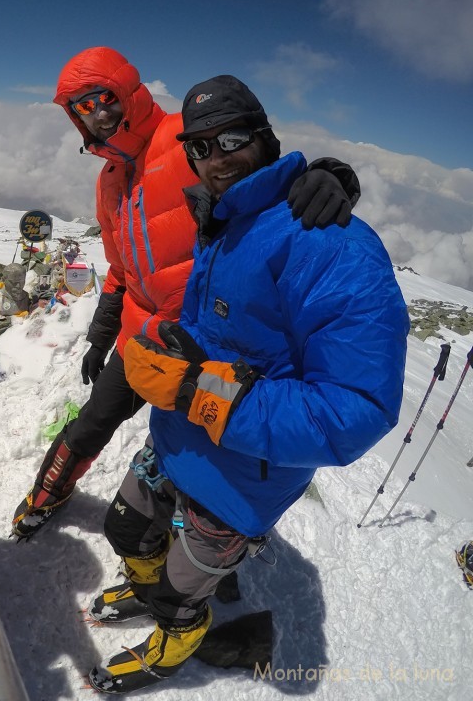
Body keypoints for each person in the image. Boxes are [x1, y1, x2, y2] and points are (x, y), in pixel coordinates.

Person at [85, 75, 408, 693]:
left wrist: (195, 391)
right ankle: (151, 588)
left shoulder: (333, 244)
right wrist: (174, 348)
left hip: (242, 479)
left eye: (230, 138)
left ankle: (173, 638)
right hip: (180, 441)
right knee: (126, 527)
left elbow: (355, 408)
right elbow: (237, 337)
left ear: (263, 137)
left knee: (181, 592)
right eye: (198, 148)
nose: (214, 159)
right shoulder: (227, 223)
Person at [11, 48, 362, 539]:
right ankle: (49, 493)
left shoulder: (183, 141)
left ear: (129, 92)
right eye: (82, 107)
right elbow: (119, 269)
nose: (98, 113)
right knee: (92, 422)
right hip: (142, 339)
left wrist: (329, 174)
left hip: (205, 342)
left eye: (104, 97)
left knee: (207, 450)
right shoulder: (108, 181)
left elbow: (258, 175)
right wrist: (100, 336)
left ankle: (204, 552)